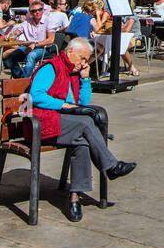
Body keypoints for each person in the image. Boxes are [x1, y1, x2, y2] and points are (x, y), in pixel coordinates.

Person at [29, 37, 135, 222]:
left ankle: (74, 198)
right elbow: (36, 96)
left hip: (66, 124)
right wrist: (62, 105)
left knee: (83, 142)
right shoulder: (51, 67)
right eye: (83, 58)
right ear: (70, 52)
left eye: (87, 59)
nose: (84, 62)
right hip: (44, 122)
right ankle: (111, 166)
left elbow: (82, 103)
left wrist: (85, 80)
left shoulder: (74, 72)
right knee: (86, 124)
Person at [3, 0, 57, 78]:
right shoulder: (27, 22)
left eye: (39, 10)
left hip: (44, 47)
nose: (37, 12)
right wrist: (10, 36)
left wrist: (35, 44)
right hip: (28, 46)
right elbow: (17, 32)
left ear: (42, 11)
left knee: (31, 55)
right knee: (11, 58)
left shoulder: (48, 21)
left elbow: (50, 40)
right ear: (31, 13)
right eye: (34, 11)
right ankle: (20, 80)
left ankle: (24, 81)